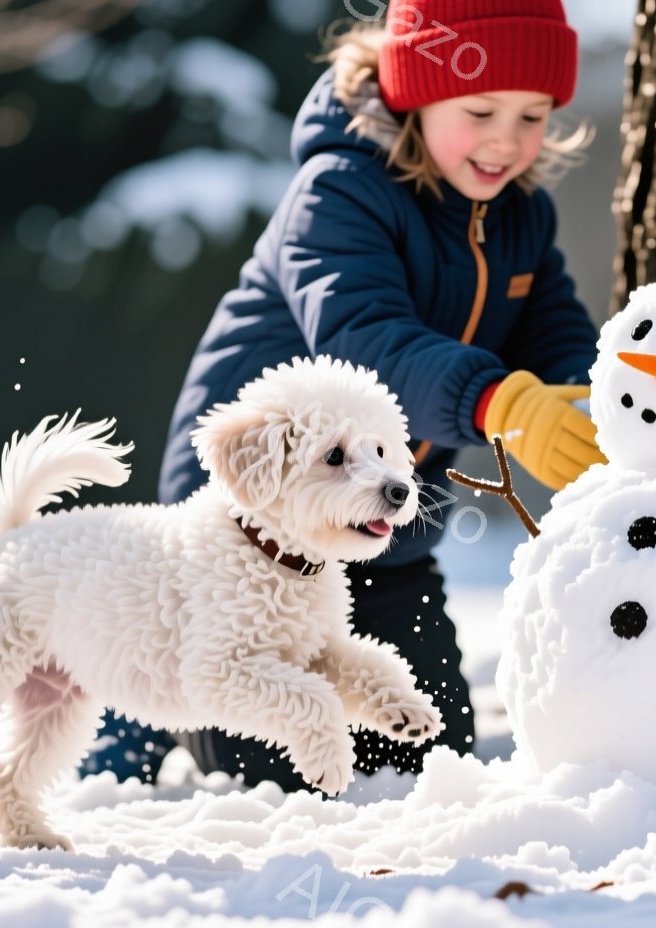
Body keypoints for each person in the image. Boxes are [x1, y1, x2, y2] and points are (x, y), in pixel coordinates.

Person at [81, 0, 603, 790]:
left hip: (382, 521)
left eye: (533, 115)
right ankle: (143, 691)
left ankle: (181, 681)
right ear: (415, 91)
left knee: (425, 759)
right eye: (482, 109)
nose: (509, 139)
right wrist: (499, 405)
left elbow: (553, 328)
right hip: (259, 526)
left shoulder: (522, 215)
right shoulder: (340, 191)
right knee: (275, 772)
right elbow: (366, 340)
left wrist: (590, 402)